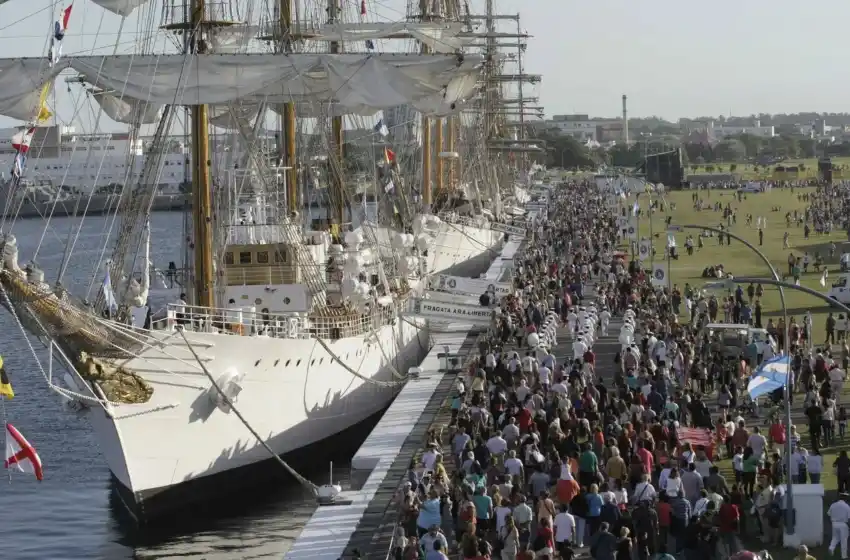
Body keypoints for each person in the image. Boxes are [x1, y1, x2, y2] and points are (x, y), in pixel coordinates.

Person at [828, 493, 850, 559]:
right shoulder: (847, 506)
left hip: (834, 524)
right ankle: (844, 556)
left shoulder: (833, 505)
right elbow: (849, 518)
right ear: (845, 498)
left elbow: (829, 514)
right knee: (844, 540)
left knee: (835, 538)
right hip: (843, 524)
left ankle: (831, 548)